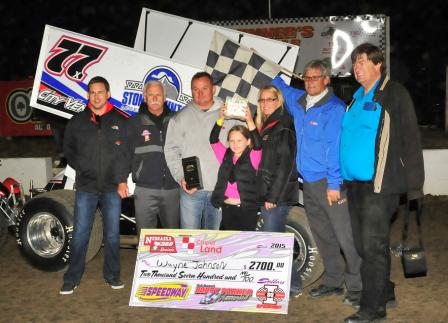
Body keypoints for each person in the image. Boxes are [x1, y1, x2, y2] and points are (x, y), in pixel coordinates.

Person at [341, 43, 424, 323]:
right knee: (365, 246)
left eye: (363, 61)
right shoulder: (354, 98)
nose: (357, 67)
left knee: (373, 247)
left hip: (381, 185)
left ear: (378, 64)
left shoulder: (394, 94)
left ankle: (372, 308)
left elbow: (411, 139)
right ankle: (384, 291)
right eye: (354, 62)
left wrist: (414, 185)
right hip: (355, 186)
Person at [272, 61, 362, 304]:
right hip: (309, 183)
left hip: (329, 182)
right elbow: (279, 86)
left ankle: (357, 286)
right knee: (323, 235)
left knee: (345, 235)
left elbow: (334, 149)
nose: (310, 81)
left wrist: (334, 184)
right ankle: (333, 281)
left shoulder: (333, 109)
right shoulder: (299, 101)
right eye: (307, 78)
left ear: (326, 80)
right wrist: (266, 66)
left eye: (315, 78)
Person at [60, 76, 129, 295]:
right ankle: (72, 278)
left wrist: (120, 180)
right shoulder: (77, 120)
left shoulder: (121, 120)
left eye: (100, 92)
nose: (96, 96)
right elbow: (68, 149)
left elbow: (125, 155)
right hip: (86, 187)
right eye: (92, 92)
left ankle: (112, 276)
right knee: (80, 234)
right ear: (88, 95)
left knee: (112, 235)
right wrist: (83, 167)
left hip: (111, 188)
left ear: (108, 94)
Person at [164, 72, 240, 229]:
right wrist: (180, 177)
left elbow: (245, 147)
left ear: (214, 89)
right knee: (190, 240)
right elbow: (171, 151)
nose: (199, 93)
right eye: (195, 89)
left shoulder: (231, 114)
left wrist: (236, 176)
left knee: (214, 240)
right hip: (192, 189)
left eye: (204, 88)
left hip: (221, 188)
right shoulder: (180, 118)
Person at [255, 84, 301, 296]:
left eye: (269, 99)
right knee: (274, 239)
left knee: (274, 241)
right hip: (269, 192)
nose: (265, 104)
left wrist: (272, 196)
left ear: (278, 101)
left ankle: (292, 285)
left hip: (277, 195)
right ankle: (286, 283)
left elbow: (285, 164)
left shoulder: (283, 124)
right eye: (262, 100)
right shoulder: (269, 124)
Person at [125, 80, 180, 237]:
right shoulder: (133, 123)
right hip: (144, 190)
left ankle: (170, 263)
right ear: (145, 97)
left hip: (172, 189)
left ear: (164, 97)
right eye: (151, 94)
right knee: (145, 239)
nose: (155, 98)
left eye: (158, 94)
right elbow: (124, 154)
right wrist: (122, 180)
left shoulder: (177, 121)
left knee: (173, 239)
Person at [209, 105, 262, 231]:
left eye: (239, 140)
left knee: (245, 247)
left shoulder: (253, 156)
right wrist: (221, 119)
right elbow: (213, 139)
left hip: (246, 211)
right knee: (226, 247)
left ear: (248, 141)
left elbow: (258, 144)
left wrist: (249, 120)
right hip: (227, 210)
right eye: (231, 141)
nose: (235, 144)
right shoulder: (225, 155)